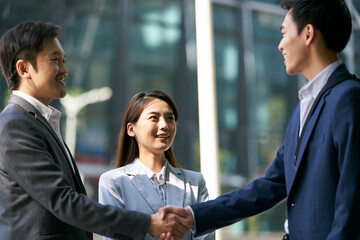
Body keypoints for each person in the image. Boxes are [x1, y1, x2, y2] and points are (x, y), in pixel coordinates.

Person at [159, 0, 360, 239]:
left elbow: (353, 197)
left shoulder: (349, 98)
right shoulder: (301, 111)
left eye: (284, 33)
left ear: (308, 34)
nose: (280, 45)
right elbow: (269, 186)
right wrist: (194, 215)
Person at [0, 21, 190, 240]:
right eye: (55, 60)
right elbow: (63, 201)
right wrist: (147, 223)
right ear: (24, 69)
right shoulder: (15, 125)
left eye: (64, 60)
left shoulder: (40, 121)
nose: (64, 70)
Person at [98, 90, 215, 240]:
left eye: (170, 118)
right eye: (154, 118)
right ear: (131, 129)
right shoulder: (114, 182)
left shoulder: (195, 183)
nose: (164, 125)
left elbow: (207, 236)